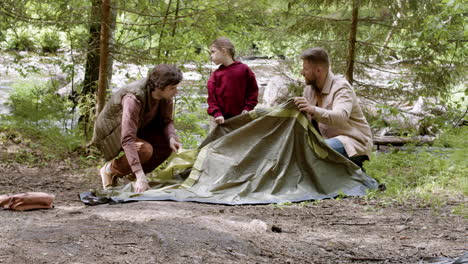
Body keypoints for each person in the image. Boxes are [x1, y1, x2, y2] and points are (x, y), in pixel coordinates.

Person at [94, 64, 183, 193]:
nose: (176, 91)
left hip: (139, 125)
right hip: (112, 131)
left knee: (166, 144)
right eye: (172, 88)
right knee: (144, 150)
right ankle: (110, 170)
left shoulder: (165, 96)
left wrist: (171, 138)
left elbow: (166, 121)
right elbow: (127, 139)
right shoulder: (133, 98)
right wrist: (140, 175)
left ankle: (133, 177)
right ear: (159, 87)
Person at [294, 47, 373, 168]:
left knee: (315, 151)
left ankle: (366, 181)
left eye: (305, 69)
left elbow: (340, 116)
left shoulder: (341, 87)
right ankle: (356, 177)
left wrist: (313, 109)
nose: (302, 72)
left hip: (351, 142)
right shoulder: (308, 90)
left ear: (318, 71)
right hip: (324, 141)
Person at [207, 37, 259, 129]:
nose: (211, 55)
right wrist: (217, 113)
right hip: (220, 121)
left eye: (213, 51)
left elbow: (253, 92)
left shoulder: (244, 70)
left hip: (241, 120)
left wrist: (247, 109)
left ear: (223, 51)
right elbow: (212, 99)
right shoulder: (215, 75)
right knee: (217, 143)